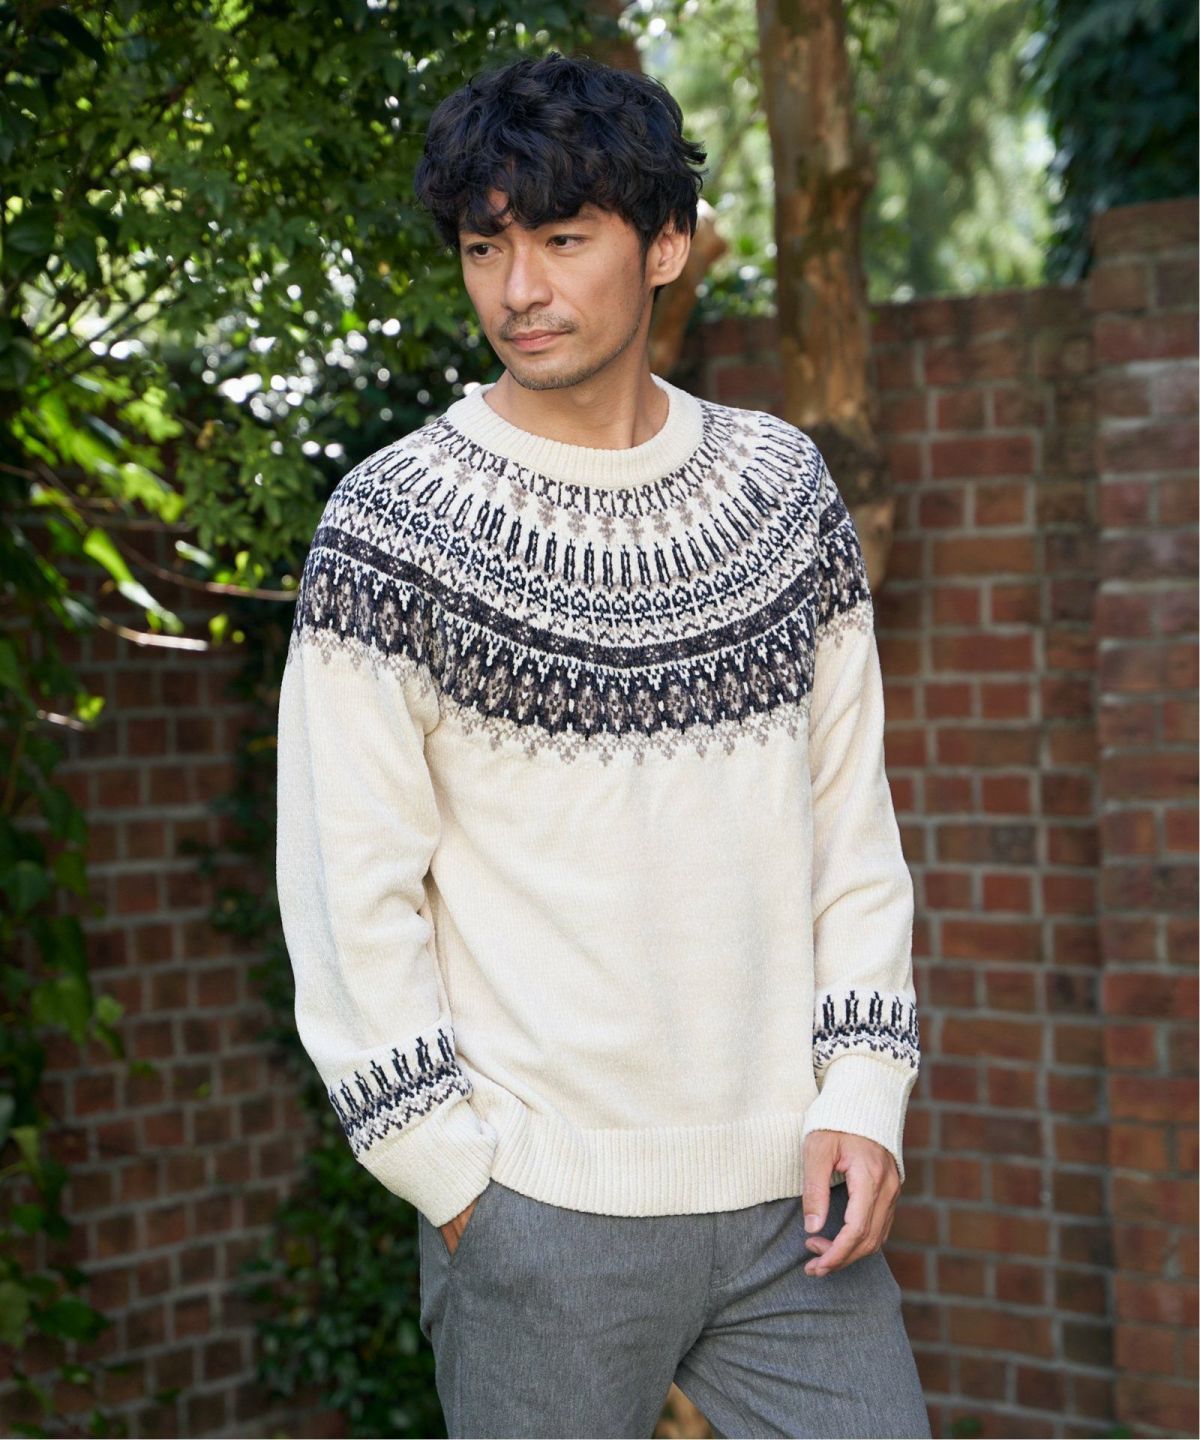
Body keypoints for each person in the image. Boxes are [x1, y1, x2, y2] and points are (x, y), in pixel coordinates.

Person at [275, 49, 931, 1440]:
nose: (519, 289)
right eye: (486, 249)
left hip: (794, 1210)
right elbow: (348, 890)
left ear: (667, 243)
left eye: (564, 240)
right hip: (538, 1217)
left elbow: (849, 827)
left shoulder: (784, 493)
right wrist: (454, 1180)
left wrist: (867, 1091)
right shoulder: (391, 528)